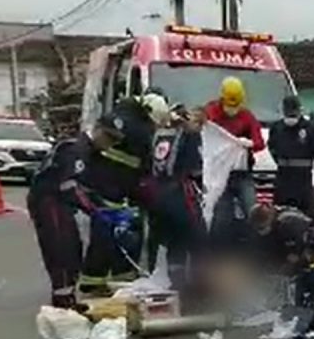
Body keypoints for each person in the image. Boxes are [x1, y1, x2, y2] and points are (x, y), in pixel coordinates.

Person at [78, 92, 170, 293]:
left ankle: (123, 277)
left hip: (124, 185)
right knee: (105, 234)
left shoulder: (137, 122)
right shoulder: (123, 118)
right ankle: (92, 281)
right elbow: (103, 139)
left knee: (127, 232)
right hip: (107, 183)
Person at [27, 120, 123, 308]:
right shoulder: (76, 149)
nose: (110, 144)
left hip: (61, 201)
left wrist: (107, 206)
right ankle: (62, 300)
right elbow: (70, 186)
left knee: (73, 247)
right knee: (61, 248)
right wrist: (95, 210)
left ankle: (68, 295)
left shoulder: (89, 152)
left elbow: (88, 186)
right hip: (49, 200)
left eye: (114, 141)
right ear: (98, 131)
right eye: (108, 138)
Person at [147, 104, 205, 296]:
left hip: (158, 193)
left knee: (173, 240)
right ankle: (199, 285)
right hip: (180, 193)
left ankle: (177, 284)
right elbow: (196, 169)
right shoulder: (188, 135)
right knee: (197, 237)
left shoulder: (159, 134)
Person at [204, 76, 266, 220]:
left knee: (252, 208)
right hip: (218, 173)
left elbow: (259, 142)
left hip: (241, 173)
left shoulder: (246, 116)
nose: (232, 110)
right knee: (220, 213)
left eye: (236, 106)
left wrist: (248, 143)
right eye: (229, 105)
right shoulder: (211, 112)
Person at [268, 96, 314, 216]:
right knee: (281, 216)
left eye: (293, 114)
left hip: (302, 181)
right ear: (283, 111)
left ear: (299, 111)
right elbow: (272, 148)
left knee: (304, 217)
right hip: (283, 180)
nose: (291, 117)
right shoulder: (277, 128)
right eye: (289, 113)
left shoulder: (310, 129)